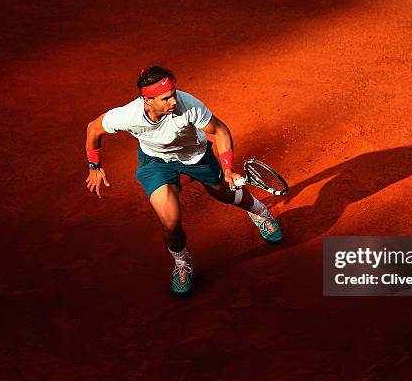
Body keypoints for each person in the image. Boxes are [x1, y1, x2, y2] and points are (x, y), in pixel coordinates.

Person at [85, 66, 282, 295]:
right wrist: (94, 166)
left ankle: (259, 212)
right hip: (155, 161)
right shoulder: (128, 115)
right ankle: (182, 262)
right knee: (170, 221)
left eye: (174, 93)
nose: (173, 101)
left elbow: (220, 131)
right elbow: (94, 128)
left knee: (224, 193)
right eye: (166, 98)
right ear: (147, 101)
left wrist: (228, 169)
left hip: (195, 156)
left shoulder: (189, 106)